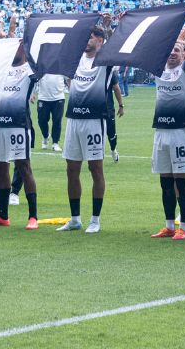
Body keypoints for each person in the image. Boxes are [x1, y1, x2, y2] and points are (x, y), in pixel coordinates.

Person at [57, 23, 122, 234]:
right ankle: (75, 218)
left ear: (100, 41)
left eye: (91, 37)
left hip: (95, 120)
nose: (86, 40)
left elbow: (116, 47)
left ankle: (95, 219)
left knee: (96, 169)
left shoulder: (105, 62)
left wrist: (108, 27)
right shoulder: (76, 58)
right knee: (71, 169)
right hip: (73, 119)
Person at [151, 3, 185, 241]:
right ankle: (169, 225)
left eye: (177, 49)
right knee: (165, 182)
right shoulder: (158, 70)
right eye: (170, 49)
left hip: (182, 132)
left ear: (183, 55)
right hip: (161, 132)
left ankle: (184, 227)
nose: (172, 52)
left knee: (182, 182)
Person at [0, 38, 39, 229]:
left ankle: (33, 217)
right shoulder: (2, 68)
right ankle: (3, 216)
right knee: (1, 169)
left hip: (19, 125)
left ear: (23, 48)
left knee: (24, 167)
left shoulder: (30, 69)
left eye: (15, 47)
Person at [33, 70, 66, 152]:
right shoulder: (42, 65)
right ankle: (46, 135)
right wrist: (32, 93)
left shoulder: (62, 65)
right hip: (43, 98)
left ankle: (55, 143)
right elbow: (34, 79)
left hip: (58, 98)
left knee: (57, 121)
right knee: (41, 120)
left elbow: (68, 79)